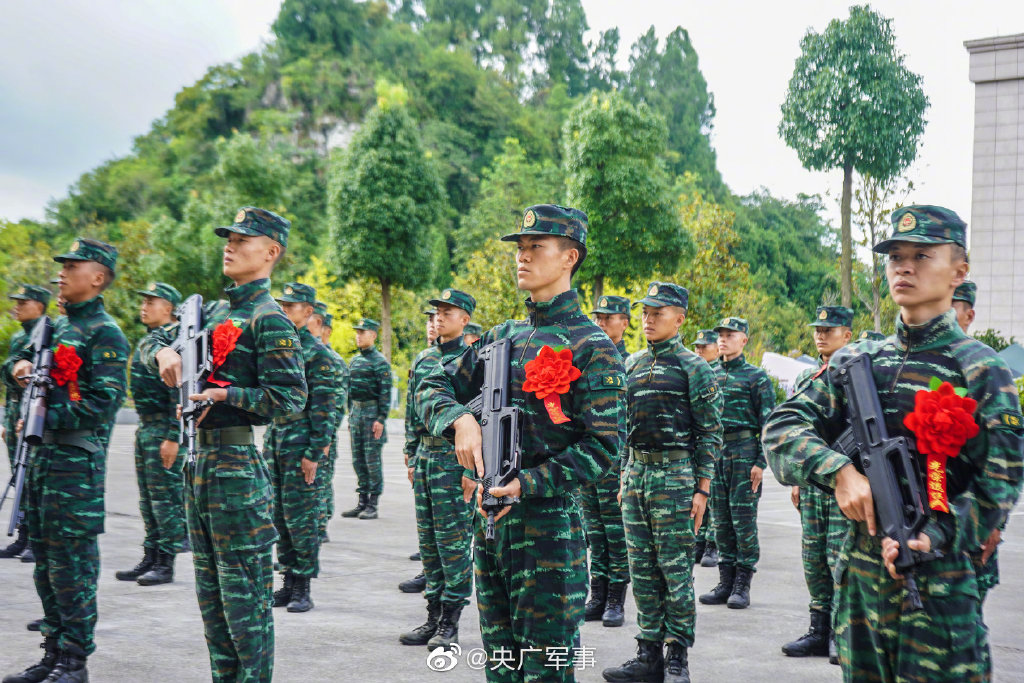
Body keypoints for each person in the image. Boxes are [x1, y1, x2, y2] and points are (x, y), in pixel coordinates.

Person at [764, 205, 1024, 682]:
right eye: (896, 256)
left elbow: (1001, 483)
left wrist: (942, 533)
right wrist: (839, 472)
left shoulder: (982, 370)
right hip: (861, 583)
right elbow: (781, 428)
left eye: (922, 255)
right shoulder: (858, 359)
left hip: (941, 591)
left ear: (957, 272)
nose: (905, 266)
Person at [415, 204, 625, 681]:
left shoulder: (592, 346)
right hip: (490, 527)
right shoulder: (501, 338)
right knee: (500, 666)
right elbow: (430, 383)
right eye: (520, 248)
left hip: (548, 531)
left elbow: (604, 447)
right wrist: (459, 422)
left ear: (570, 257)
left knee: (546, 671)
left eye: (536, 247)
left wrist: (527, 483)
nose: (522, 257)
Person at [146, 207, 307, 682]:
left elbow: (291, 399)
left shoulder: (268, 318)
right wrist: (165, 349)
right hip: (199, 464)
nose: (229, 245)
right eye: (228, 238)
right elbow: (151, 341)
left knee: (244, 601)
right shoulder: (214, 312)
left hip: (235, 466)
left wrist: (226, 394)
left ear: (271, 252)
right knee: (211, 598)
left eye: (242, 239)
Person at [6, 238, 129, 683]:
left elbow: (103, 404)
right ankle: (52, 652)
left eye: (72, 266)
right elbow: (16, 361)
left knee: (72, 566)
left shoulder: (105, 333)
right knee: (45, 564)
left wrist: (46, 415)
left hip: (75, 465)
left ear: (97, 277)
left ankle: (74, 662)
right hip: (40, 460)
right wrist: (19, 369)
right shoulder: (52, 327)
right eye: (61, 266)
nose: (61, 273)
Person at [602, 282, 722, 683]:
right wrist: (623, 475)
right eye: (645, 312)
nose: (648, 318)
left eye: (658, 312)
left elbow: (710, 433)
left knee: (674, 571)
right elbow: (624, 428)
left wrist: (702, 489)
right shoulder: (633, 363)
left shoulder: (695, 368)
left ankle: (677, 656)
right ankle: (648, 653)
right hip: (637, 476)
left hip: (676, 477)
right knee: (643, 570)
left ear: (680, 318)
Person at [400, 288, 477, 649]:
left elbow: (480, 420)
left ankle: (451, 622)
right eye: (437, 312)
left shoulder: (473, 360)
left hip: (455, 461)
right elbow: (415, 411)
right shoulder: (424, 357)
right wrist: (412, 453)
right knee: (429, 543)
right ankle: (432, 617)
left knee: (454, 543)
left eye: (449, 312)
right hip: (428, 460)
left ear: (465, 319)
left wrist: (474, 472)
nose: (440, 317)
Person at [781, 305, 852, 663]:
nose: (821, 334)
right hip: (812, 482)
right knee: (813, 557)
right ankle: (818, 630)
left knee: (840, 557)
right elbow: (797, 431)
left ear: (847, 335)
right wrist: (796, 478)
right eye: (818, 329)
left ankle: (842, 634)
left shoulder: (857, 374)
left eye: (829, 328)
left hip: (843, 481)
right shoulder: (807, 376)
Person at [266, 283, 338, 613]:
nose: (283, 309)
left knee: (302, 519)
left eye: (291, 306)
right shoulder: (280, 349)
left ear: (308, 312)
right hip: (276, 442)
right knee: (279, 515)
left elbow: (325, 408)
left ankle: (303, 587)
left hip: (301, 445)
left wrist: (314, 452)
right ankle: (287, 582)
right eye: (282, 304)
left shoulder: (317, 355)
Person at [699, 316, 775, 610]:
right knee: (720, 522)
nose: (723, 339)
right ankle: (725, 581)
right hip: (716, 453)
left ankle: (742, 584)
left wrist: (760, 462)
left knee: (743, 522)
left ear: (743, 340)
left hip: (744, 453)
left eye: (730, 335)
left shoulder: (756, 378)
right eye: (720, 335)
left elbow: (768, 424)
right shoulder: (708, 374)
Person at [116, 282, 186, 587]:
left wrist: (174, 436)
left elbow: (179, 393)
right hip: (147, 427)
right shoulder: (154, 340)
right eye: (142, 301)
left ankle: (165, 562)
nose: (143, 306)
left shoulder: (177, 342)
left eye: (150, 301)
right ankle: (150, 555)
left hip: (164, 429)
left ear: (168, 308)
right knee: (148, 499)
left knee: (165, 499)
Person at [950, 280, 1003, 608]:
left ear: (969, 315)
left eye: (952, 305)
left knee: (965, 626)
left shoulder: (984, 368)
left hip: (972, 519)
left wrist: (995, 522)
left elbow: (1004, 456)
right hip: (929, 524)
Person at [584, 295, 631, 626]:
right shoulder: (588, 359)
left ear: (624, 323)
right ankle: (597, 595)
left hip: (615, 462)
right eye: (598, 317)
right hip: (589, 461)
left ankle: (616, 598)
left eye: (608, 318)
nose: (601, 323)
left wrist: (627, 467)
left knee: (616, 533)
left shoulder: (632, 363)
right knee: (595, 532)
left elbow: (633, 421)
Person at [0, 284, 51, 562]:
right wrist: (8, 417)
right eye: (16, 301)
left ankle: (34, 538)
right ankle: (22, 535)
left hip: (31, 418)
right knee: (19, 478)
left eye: (24, 302)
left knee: (30, 480)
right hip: (15, 416)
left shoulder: (43, 332)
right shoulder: (21, 335)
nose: (17, 306)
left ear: (40, 306)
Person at [340, 317, 392, 520]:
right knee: (358, 460)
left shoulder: (379, 362)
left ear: (373, 335)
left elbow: (385, 393)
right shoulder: (354, 360)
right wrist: (350, 416)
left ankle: (373, 504)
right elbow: (349, 392)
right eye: (357, 332)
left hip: (372, 415)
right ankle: (361, 501)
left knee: (372, 461)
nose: (358, 336)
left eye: (362, 332)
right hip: (357, 415)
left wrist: (381, 418)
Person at [308, 302, 346, 543]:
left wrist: (326, 435)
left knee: (320, 479)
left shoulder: (332, 360)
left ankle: (320, 525)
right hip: (305, 432)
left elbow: (337, 405)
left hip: (323, 433)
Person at [691, 328, 721, 568]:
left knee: (716, 502)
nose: (699, 350)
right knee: (700, 499)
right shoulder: (693, 372)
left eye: (704, 347)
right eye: (697, 347)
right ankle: (700, 543)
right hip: (698, 446)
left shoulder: (718, 375)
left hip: (728, 447)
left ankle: (712, 545)